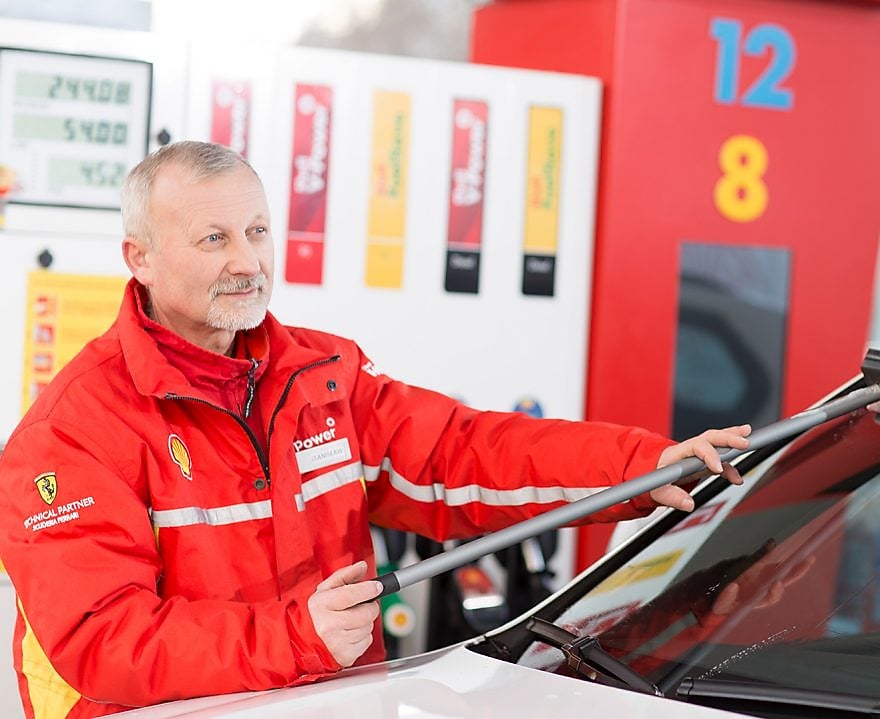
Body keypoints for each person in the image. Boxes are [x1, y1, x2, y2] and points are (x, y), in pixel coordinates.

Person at [0, 141, 750, 718]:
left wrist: (645, 464)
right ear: (140, 259)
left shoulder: (321, 377)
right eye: (214, 239)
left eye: (257, 231)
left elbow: (462, 452)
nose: (248, 261)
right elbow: (103, 638)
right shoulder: (71, 433)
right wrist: (297, 637)